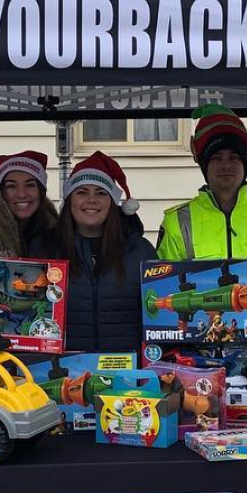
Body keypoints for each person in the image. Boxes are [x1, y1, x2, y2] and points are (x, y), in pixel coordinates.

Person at [43, 151, 156, 352]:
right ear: (69, 201)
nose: (91, 200)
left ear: (113, 202)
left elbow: (157, 317)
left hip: (129, 374)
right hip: (60, 374)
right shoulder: (45, 249)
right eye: (82, 192)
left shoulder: (140, 251)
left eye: (101, 193)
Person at [157, 104, 247, 260]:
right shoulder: (176, 222)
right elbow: (161, 281)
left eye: (234, 157)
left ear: (245, 165)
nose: (226, 165)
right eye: (217, 158)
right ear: (204, 166)